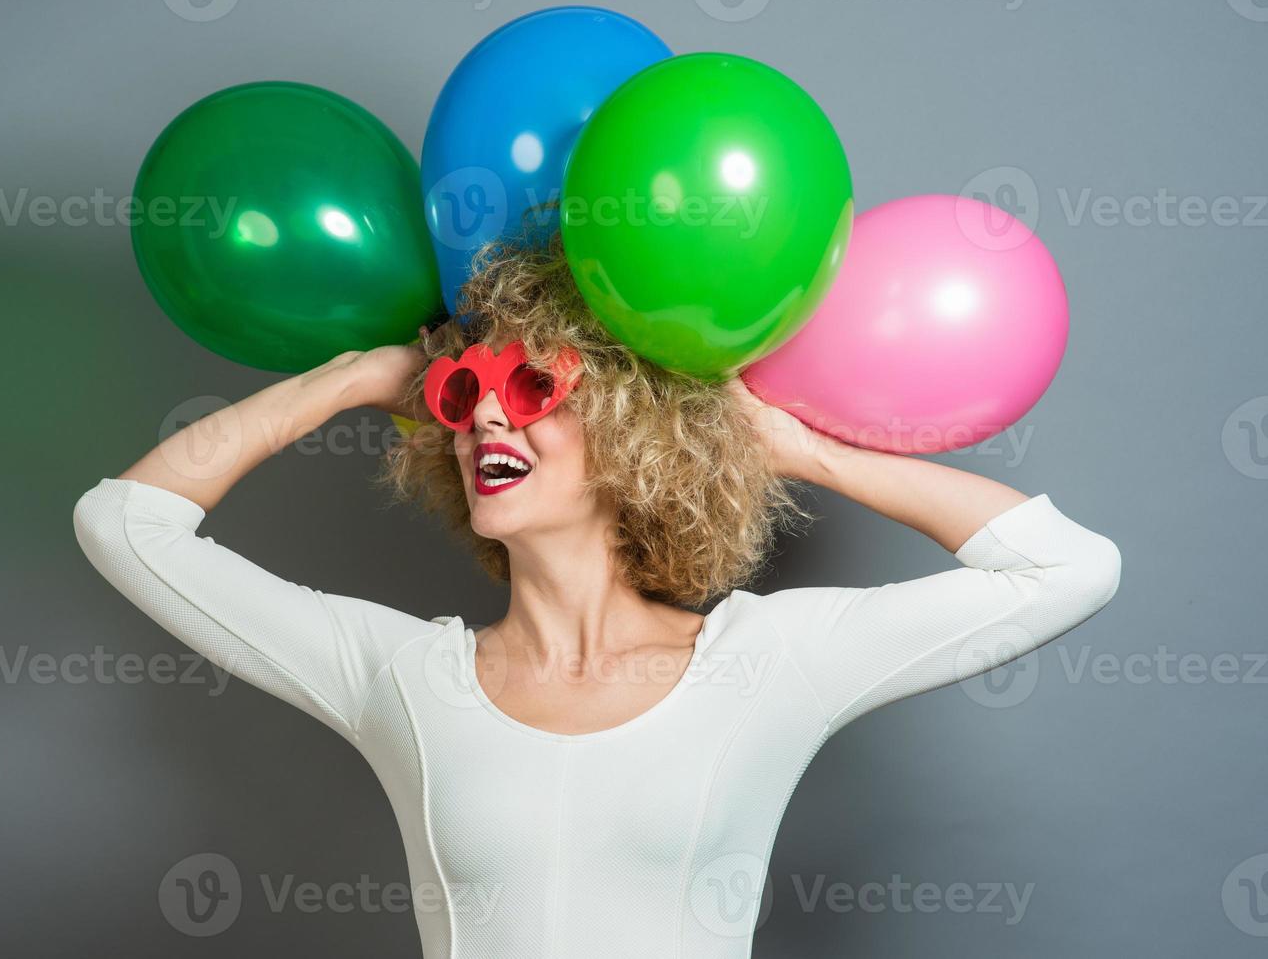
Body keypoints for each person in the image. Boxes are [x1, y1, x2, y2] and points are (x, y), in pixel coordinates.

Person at [73, 234, 1121, 957]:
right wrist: (351, 376)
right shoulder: (396, 674)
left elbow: (1067, 566)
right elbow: (125, 523)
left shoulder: (770, 661)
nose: (489, 418)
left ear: (637, 431)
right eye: (461, 393)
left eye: (536, 389)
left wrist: (804, 452)